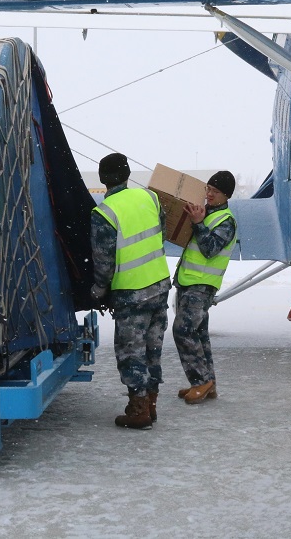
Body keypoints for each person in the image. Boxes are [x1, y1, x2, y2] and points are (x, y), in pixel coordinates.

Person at [91, 153, 171, 429]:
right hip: (159, 286)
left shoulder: (104, 213)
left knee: (131, 352)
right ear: (127, 174)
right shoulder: (150, 198)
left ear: (103, 180)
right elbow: (161, 232)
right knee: (152, 349)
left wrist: (99, 290)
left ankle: (138, 411)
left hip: (131, 294)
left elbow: (103, 261)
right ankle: (151, 403)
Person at [173, 171, 237, 404]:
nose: (209, 194)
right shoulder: (205, 213)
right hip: (188, 282)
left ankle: (201, 381)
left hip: (202, 285)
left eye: (216, 191)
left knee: (183, 330)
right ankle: (207, 383)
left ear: (226, 195)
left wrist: (198, 224)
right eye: (208, 189)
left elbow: (210, 249)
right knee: (199, 335)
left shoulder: (226, 221)